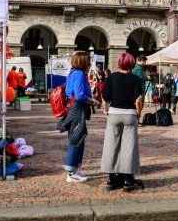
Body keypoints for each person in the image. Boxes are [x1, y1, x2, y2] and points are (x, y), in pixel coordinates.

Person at [100, 52, 144, 192]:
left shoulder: (111, 77)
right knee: (128, 147)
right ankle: (127, 180)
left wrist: (106, 111)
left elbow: (105, 97)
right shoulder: (135, 78)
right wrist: (139, 113)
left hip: (114, 113)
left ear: (119, 63)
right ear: (131, 64)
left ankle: (111, 179)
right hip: (130, 114)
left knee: (111, 145)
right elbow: (138, 100)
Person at [61, 51, 100, 183]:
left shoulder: (73, 73)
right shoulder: (79, 74)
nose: (90, 64)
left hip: (73, 109)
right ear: (84, 62)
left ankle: (75, 169)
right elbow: (80, 95)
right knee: (76, 139)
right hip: (77, 109)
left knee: (78, 137)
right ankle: (71, 173)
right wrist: (93, 101)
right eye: (89, 62)